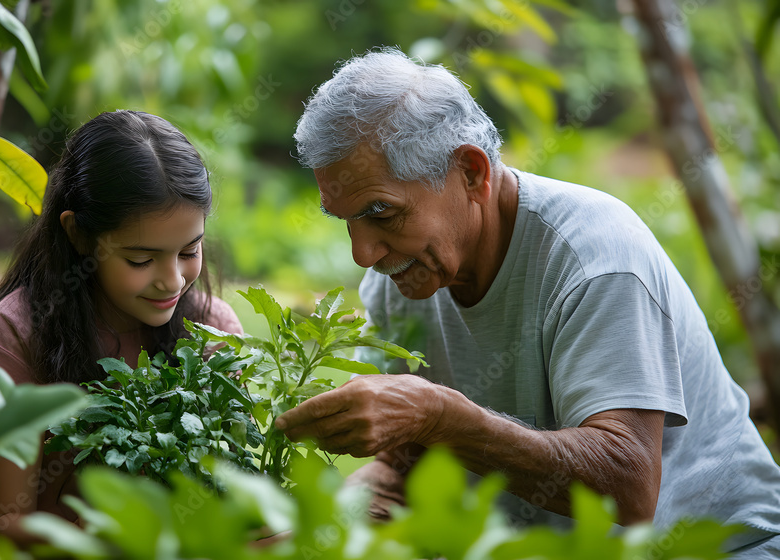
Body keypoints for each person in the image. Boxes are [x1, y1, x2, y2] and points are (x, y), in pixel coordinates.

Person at [278, 47, 780, 557]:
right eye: (346, 220)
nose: (364, 253)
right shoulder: (404, 277)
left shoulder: (593, 259)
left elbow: (627, 490)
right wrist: (322, 529)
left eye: (382, 213)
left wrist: (441, 416)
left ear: (471, 172)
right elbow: (406, 465)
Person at [0, 110, 243, 545]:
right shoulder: (15, 339)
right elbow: (7, 525)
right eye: (141, 260)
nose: (172, 280)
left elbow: (234, 492)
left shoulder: (212, 330)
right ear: (79, 235)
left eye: (189, 250)